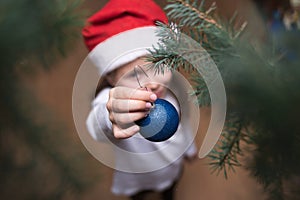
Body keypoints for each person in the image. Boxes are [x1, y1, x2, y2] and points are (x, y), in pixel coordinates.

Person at [82, 0, 197, 199]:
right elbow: (97, 123)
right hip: (137, 177)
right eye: (136, 75)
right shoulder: (111, 101)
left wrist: (189, 148)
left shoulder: (172, 93)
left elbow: (182, 126)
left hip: (171, 166)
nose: (152, 83)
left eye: (158, 67)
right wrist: (111, 116)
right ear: (111, 78)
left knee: (169, 189)